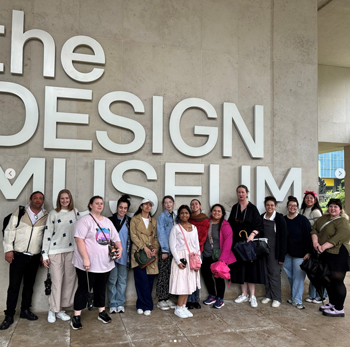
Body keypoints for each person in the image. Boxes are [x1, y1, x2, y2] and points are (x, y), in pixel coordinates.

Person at [71, 196, 122, 330]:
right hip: (87, 264)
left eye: (101, 204)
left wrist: (120, 248)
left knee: (101, 288)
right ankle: (76, 316)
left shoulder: (107, 222)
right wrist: (85, 258)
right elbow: (79, 240)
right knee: (83, 289)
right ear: (90, 205)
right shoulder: (84, 221)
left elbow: (116, 238)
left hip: (104, 263)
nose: (100, 206)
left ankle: (101, 312)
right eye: (97, 203)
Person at [1, 191, 48, 330]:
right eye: (35, 198)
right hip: (18, 256)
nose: (38, 200)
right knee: (14, 287)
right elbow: (10, 231)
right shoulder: (21, 211)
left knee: (29, 286)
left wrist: (42, 254)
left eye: (40, 198)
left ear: (43, 201)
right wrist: (8, 250)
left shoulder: (46, 215)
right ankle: (9, 315)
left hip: (34, 257)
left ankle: (25, 310)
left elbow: (46, 236)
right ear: (30, 199)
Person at [42, 189, 79, 323]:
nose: (64, 201)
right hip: (55, 251)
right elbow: (47, 234)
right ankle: (53, 309)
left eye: (67, 198)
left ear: (70, 199)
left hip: (71, 251)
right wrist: (44, 254)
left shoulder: (75, 212)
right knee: (56, 282)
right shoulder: (53, 213)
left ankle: (60, 309)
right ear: (59, 199)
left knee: (69, 282)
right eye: (62, 198)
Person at [312, 198, 350, 317]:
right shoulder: (323, 218)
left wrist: (323, 246)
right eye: (331, 206)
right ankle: (332, 303)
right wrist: (315, 243)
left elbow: (340, 236)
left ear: (340, 209)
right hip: (325, 253)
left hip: (338, 254)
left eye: (335, 207)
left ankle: (339, 309)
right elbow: (314, 229)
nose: (332, 209)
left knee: (337, 280)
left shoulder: (343, 221)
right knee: (327, 279)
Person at [228, 185, 265, 308]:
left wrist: (252, 235)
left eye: (243, 192)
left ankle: (252, 296)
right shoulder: (235, 208)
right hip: (237, 244)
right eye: (239, 192)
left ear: (247, 193)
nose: (241, 194)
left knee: (251, 269)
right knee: (240, 269)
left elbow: (259, 226)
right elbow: (230, 224)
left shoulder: (252, 208)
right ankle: (244, 294)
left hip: (249, 244)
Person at [169, 205, 201, 318]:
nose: (184, 215)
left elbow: (197, 244)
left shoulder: (194, 227)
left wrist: (198, 258)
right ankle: (178, 307)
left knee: (190, 283)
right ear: (179, 215)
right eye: (182, 213)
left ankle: (183, 306)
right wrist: (178, 261)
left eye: (186, 213)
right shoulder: (175, 228)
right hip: (181, 258)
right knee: (182, 283)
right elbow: (172, 246)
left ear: (189, 214)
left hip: (192, 258)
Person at [202, 204, 236, 309]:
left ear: (222, 213)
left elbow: (228, 243)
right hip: (207, 254)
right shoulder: (207, 223)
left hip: (219, 256)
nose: (216, 213)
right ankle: (212, 295)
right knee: (206, 275)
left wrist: (223, 259)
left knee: (219, 277)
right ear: (211, 212)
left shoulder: (225, 226)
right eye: (214, 210)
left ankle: (220, 298)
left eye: (219, 211)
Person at [130, 198, 159, 316]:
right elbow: (133, 236)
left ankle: (144, 305)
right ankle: (145, 305)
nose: (148, 207)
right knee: (140, 280)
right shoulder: (135, 220)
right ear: (141, 206)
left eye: (150, 205)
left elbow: (156, 237)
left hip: (151, 253)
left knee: (150, 280)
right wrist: (143, 247)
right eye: (145, 204)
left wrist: (155, 249)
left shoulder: (154, 221)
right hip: (139, 253)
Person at [283, 196, 311, 310]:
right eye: (290, 205)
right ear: (287, 207)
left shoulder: (303, 220)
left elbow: (308, 236)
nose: (292, 207)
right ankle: (293, 297)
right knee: (291, 277)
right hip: (287, 253)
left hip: (301, 254)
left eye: (295, 206)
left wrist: (309, 252)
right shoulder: (283, 220)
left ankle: (297, 300)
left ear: (297, 207)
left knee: (299, 278)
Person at [260, 196, 287, 308]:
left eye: (272, 205)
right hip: (263, 250)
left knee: (274, 274)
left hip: (275, 251)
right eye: (267, 205)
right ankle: (268, 295)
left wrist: (281, 257)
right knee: (265, 273)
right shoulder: (262, 217)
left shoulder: (279, 218)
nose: (269, 207)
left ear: (275, 206)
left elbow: (284, 238)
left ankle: (277, 298)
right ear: (265, 206)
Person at [107, 194, 131, 314]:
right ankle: (112, 303)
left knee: (122, 280)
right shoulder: (109, 220)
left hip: (124, 256)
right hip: (112, 256)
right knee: (112, 280)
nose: (122, 210)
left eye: (125, 208)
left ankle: (120, 303)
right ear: (117, 208)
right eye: (121, 207)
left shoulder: (129, 222)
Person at [300, 190, 325, 304]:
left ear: (315, 200)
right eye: (307, 198)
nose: (309, 200)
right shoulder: (302, 211)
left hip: (315, 244)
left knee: (317, 271)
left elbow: (319, 230)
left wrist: (316, 245)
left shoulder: (316, 212)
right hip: (306, 243)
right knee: (311, 270)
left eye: (311, 198)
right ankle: (312, 295)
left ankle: (321, 295)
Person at [187, 199, 209, 309]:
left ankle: (196, 300)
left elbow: (203, 236)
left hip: (198, 251)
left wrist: (195, 248)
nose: (194, 205)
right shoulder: (188, 218)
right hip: (187, 251)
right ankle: (189, 300)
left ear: (200, 205)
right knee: (188, 276)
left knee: (196, 276)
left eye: (196, 204)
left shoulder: (205, 220)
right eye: (192, 204)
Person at [156, 196, 177, 311]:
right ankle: (161, 299)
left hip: (174, 251)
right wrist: (165, 250)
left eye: (170, 202)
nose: (168, 204)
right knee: (163, 275)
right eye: (166, 203)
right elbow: (161, 234)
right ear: (163, 205)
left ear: (173, 203)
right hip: (166, 251)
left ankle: (167, 297)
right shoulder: (162, 217)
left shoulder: (175, 216)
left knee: (171, 274)